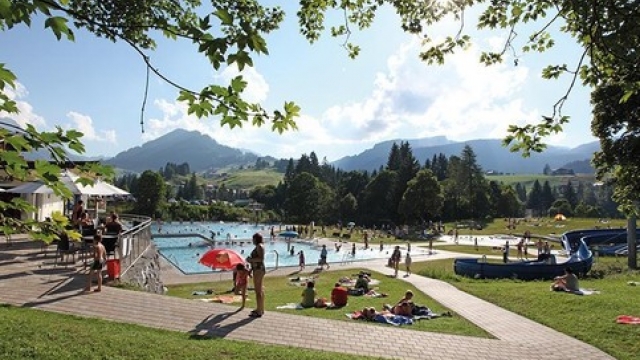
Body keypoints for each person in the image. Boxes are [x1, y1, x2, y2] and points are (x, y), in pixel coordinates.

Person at [246, 233, 265, 317]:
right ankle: (261, 308)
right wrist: (250, 269)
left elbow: (261, 259)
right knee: (260, 289)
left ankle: (259, 310)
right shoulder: (260, 246)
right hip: (257, 269)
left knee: (258, 291)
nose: (252, 240)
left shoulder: (259, 246)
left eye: (253, 239)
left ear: (256, 239)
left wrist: (250, 260)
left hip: (258, 270)